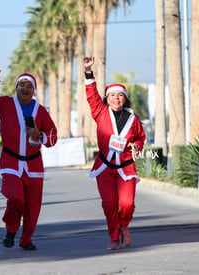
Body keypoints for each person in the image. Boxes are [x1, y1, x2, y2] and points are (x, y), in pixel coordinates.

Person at [0, 66, 57, 250]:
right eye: (22, 85)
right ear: (16, 88)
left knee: (32, 208)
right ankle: (11, 230)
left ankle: (26, 239)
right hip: (11, 162)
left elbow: (52, 138)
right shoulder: (5, 104)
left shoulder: (41, 111)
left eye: (29, 85)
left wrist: (38, 133)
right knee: (16, 197)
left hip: (34, 165)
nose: (25, 88)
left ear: (33, 90)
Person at [83, 55, 146, 250]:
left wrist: (137, 146)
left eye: (120, 95)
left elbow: (140, 138)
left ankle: (124, 226)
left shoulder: (133, 118)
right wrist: (88, 72)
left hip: (126, 167)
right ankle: (114, 235)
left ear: (125, 98)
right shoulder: (100, 112)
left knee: (127, 203)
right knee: (109, 204)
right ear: (107, 98)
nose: (116, 98)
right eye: (112, 95)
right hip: (105, 167)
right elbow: (92, 95)